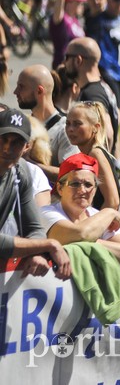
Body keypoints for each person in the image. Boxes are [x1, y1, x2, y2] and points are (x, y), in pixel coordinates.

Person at [0, 109, 72, 280]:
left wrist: (36, 252)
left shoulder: (21, 171)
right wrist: (47, 245)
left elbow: (34, 227)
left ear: (27, 147)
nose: (7, 148)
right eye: (2, 139)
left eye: (17, 142)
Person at [42, 153, 120, 266]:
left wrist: (87, 242)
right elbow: (81, 234)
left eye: (88, 184)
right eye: (75, 184)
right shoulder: (46, 213)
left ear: (95, 189)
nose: (82, 190)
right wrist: (110, 212)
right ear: (60, 188)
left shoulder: (98, 216)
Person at [14, 65, 79, 180]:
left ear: (39, 91)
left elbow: (70, 174)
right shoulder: (22, 124)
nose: (15, 92)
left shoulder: (64, 130)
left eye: (21, 87)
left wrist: (30, 164)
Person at [65, 37, 119, 153]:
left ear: (78, 60)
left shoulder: (92, 94)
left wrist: (97, 163)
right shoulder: (101, 86)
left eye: (67, 57)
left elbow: (108, 134)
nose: (65, 63)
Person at [65, 101, 120, 211]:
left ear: (95, 127)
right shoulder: (85, 154)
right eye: (68, 123)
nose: (70, 129)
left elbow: (113, 202)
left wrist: (95, 225)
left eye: (77, 124)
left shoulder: (95, 154)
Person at [49, 0, 87, 69]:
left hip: (77, 66)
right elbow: (58, 14)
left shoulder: (75, 20)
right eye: (78, 2)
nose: (81, 5)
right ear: (69, 3)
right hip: (63, 64)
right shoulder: (62, 19)